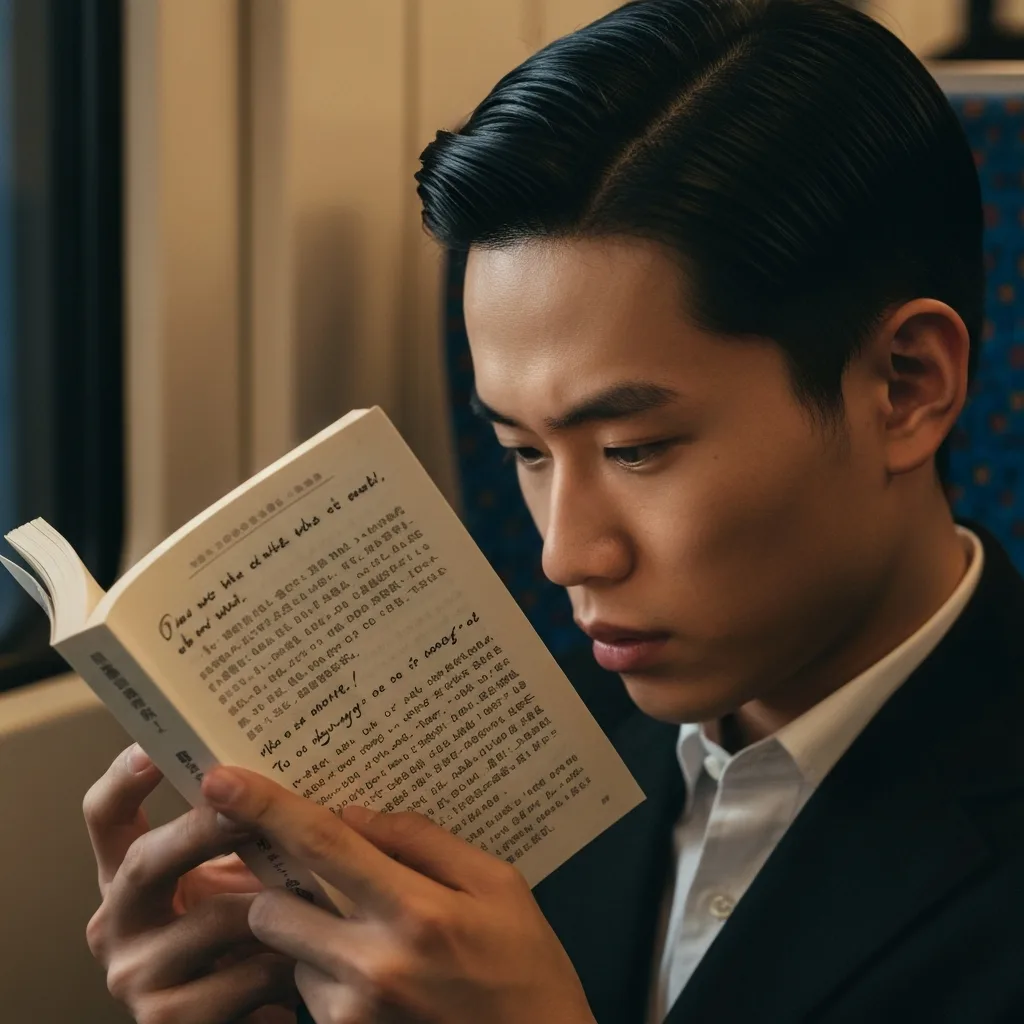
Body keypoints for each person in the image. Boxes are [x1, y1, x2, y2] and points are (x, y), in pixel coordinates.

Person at [82, 0, 1024, 1021]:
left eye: (636, 449)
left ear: (904, 385)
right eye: (521, 452)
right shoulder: (509, 759)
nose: (564, 554)